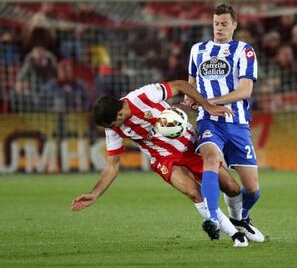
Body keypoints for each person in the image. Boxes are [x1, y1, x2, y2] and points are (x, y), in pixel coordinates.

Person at [71, 80, 249, 247]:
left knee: (232, 188)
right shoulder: (114, 129)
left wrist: (207, 106)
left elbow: (180, 85)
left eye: (111, 124)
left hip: (190, 146)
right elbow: (112, 165)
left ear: (119, 114)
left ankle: (239, 223)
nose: (110, 129)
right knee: (193, 192)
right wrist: (95, 194)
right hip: (163, 158)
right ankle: (235, 236)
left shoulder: (143, 96)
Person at [185, 4, 264, 242]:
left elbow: (245, 90)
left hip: (237, 123)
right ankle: (211, 217)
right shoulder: (197, 50)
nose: (219, 28)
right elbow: (192, 86)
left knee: (252, 190)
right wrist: (190, 101)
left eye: (224, 24)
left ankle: (240, 218)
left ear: (234, 25)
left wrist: (210, 100)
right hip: (209, 121)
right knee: (210, 158)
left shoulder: (245, 51)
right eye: (216, 24)